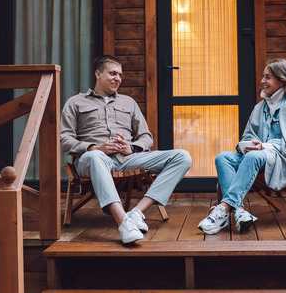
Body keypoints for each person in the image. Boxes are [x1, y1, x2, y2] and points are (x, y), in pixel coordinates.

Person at [61, 55, 192, 244]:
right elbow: (64, 139)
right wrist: (95, 147)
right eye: (112, 73)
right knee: (96, 157)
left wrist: (132, 147)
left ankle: (137, 213)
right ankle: (123, 222)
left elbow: (147, 137)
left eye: (120, 75)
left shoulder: (128, 103)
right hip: (92, 160)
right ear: (98, 74)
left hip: (128, 159)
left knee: (182, 156)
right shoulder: (75, 103)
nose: (118, 79)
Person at [198, 58, 286, 234]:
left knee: (254, 156)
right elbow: (248, 135)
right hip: (258, 159)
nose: (262, 81)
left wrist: (265, 147)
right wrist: (248, 144)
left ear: (281, 80)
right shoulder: (260, 107)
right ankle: (240, 212)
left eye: (268, 77)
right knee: (223, 157)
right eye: (263, 76)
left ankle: (222, 209)